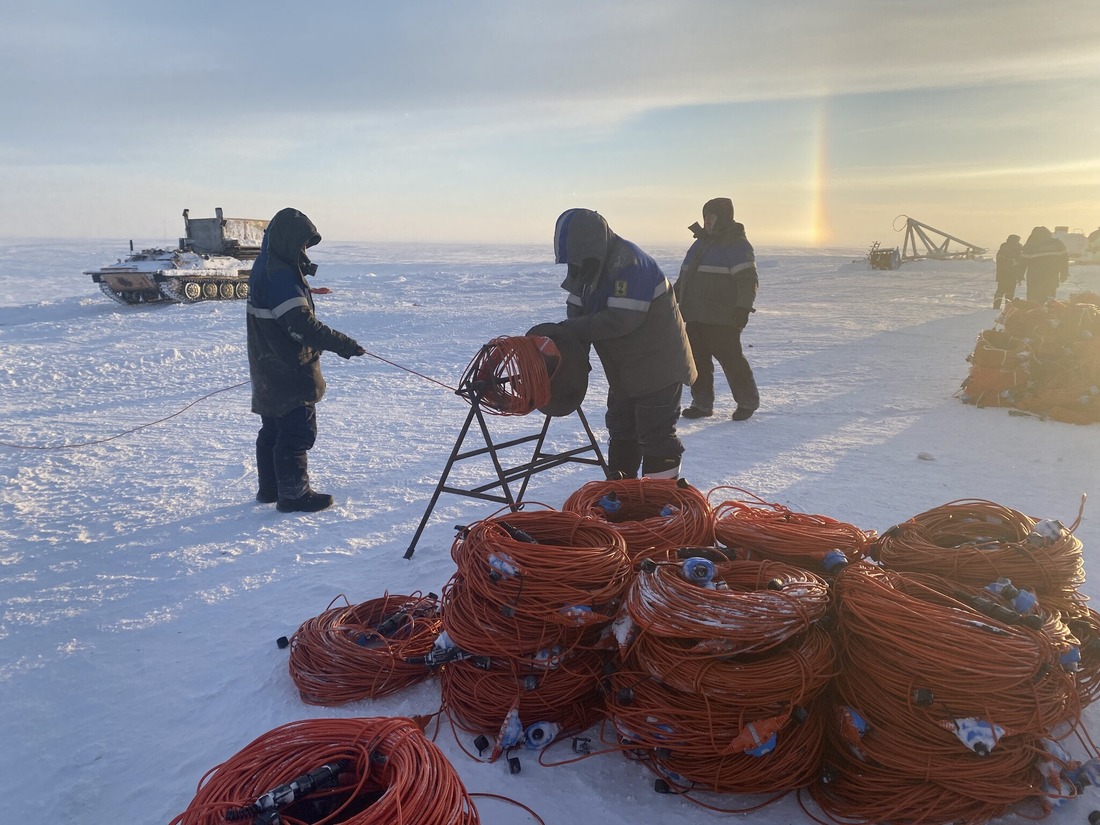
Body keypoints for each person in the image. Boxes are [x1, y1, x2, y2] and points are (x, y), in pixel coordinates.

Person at [552, 208, 696, 480]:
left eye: (577, 256)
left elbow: (622, 320)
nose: (575, 264)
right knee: (622, 426)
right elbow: (576, 308)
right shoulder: (588, 264)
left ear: (591, 244)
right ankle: (622, 494)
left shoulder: (630, 263)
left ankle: (658, 503)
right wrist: (569, 347)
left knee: (656, 433)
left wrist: (572, 329)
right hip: (625, 369)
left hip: (658, 366)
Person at [247, 207, 366, 513]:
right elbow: (301, 326)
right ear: (288, 240)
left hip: (267, 363)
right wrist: (344, 344)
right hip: (288, 366)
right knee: (297, 430)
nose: (304, 250)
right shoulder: (281, 276)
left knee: (273, 427)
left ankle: (270, 489)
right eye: (301, 243)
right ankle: (294, 495)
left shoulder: (266, 265)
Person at [673, 198, 759, 421]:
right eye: (705, 216)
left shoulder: (737, 245)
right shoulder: (700, 244)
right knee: (697, 362)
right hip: (694, 315)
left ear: (724, 217)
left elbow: (748, 280)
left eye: (712, 216)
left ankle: (747, 401)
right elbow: (685, 277)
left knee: (732, 361)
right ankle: (701, 404)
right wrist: (672, 297)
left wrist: (742, 308)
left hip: (722, 318)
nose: (707, 221)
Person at [1020, 226, 1069, 303]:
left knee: (1033, 302)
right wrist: (1064, 274)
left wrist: (1019, 276)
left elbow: (1022, 263)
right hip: (1051, 279)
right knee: (1050, 302)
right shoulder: (1058, 244)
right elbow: (1064, 260)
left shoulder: (1030, 246)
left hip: (1035, 281)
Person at [993, 234, 1023, 309]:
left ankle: (1006, 306)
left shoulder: (1018, 247)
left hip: (1011, 273)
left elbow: (1021, 259)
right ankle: (999, 306)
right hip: (1005, 273)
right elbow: (1000, 259)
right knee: (1003, 290)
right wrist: (1011, 262)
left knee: (1008, 291)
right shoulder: (1005, 247)